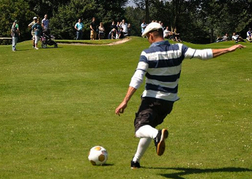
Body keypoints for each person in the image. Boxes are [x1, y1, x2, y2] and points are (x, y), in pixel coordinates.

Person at [115, 22, 245, 169]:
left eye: (147, 37)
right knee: (149, 126)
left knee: (140, 129)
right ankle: (135, 161)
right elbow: (203, 54)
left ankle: (158, 136)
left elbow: (137, 78)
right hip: (169, 102)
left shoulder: (147, 54)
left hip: (152, 99)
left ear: (151, 36)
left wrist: (125, 101)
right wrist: (228, 49)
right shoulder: (179, 48)